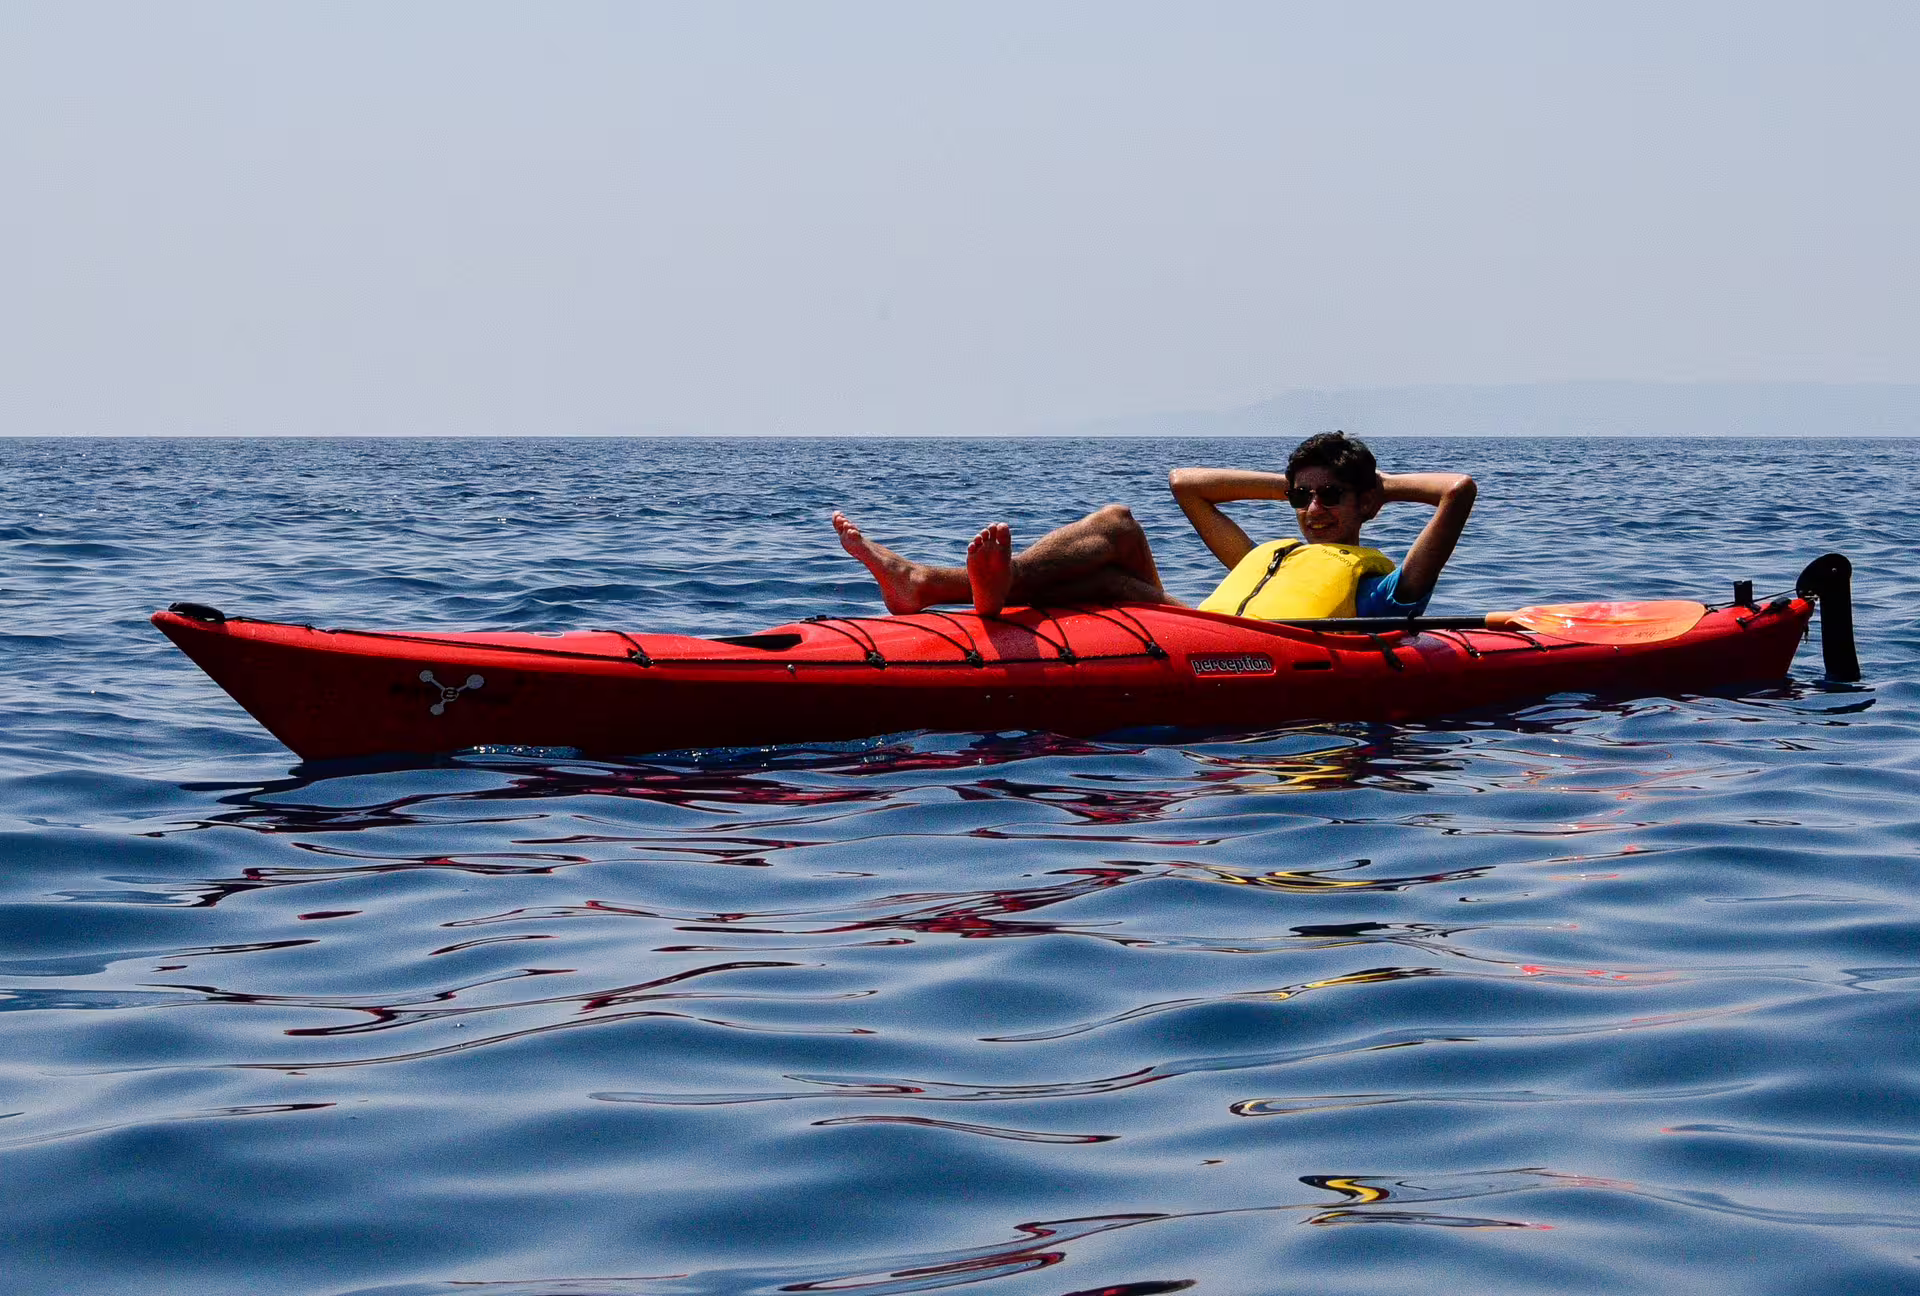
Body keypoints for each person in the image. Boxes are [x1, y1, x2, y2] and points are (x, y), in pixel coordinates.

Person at [832, 431, 1475, 620]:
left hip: (1248, 654)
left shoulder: (1380, 592)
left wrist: (1373, 487)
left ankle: (941, 585)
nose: (1312, 509)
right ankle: (926, 582)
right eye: (1300, 496)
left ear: (1368, 504)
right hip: (1197, 630)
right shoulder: (1266, 555)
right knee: (1116, 523)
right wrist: (1298, 484)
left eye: (1330, 497)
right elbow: (1185, 483)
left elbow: (1456, 490)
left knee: (1109, 583)